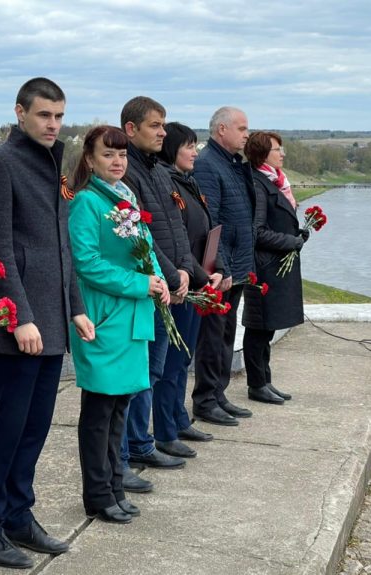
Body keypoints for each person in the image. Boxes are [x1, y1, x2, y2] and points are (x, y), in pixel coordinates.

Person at [0, 77, 95, 569]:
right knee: (9, 426)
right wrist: (19, 318)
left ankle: (20, 515)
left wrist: (76, 307)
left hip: (52, 321)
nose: (53, 124)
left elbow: (60, 248)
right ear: (20, 113)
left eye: (60, 116)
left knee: (37, 426)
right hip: (21, 325)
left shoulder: (52, 163)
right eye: (44, 115)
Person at [69, 125, 170, 524]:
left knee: (120, 408)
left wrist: (159, 280)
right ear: (90, 160)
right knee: (99, 410)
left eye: (122, 155)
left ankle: (114, 484)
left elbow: (144, 249)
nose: (117, 162)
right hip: (105, 317)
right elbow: (87, 263)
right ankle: (97, 493)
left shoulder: (126, 197)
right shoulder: (86, 203)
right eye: (108, 155)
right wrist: (141, 284)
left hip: (132, 318)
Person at [119, 96, 193, 490]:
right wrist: (170, 275)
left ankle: (142, 442)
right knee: (137, 375)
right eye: (155, 126)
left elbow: (175, 229)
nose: (163, 132)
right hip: (147, 288)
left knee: (153, 370)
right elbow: (141, 236)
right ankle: (130, 448)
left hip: (166, 285)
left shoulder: (159, 171)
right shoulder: (127, 171)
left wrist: (187, 273)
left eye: (164, 126)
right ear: (132, 129)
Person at [152, 122, 220, 458]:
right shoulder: (167, 182)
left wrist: (214, 269)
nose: (195, 152)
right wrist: (188, 275)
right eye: (189, 146)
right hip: (180, 283)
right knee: (172, 361)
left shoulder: (187, 182)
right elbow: (174, 237)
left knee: (184, 358)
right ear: (171, 150)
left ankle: (179, 418)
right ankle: (164, 429)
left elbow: (202, 230)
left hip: (195, 280)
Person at [192, 106, 257, 425]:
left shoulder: (231, 164)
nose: (247, 134)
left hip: (238, 266)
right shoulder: (207, 165)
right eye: (242, 128)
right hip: (222, 271)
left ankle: (218, 394)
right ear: (221, 130)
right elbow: (212, 221)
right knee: (212, 337)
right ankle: (204, 400)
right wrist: (224, 268)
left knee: (227, 334)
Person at [241, 131, 305, 404]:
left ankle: (265, 380)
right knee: (259, 328)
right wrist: (291, 241)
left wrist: (299, 233)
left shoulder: (275, 181)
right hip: (264, 268)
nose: (282, 154)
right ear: (262, 153)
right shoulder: (258, 184)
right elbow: (256, 232)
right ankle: (257, 385)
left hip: (276, 265)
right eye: (277, 149)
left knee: (266, 329)